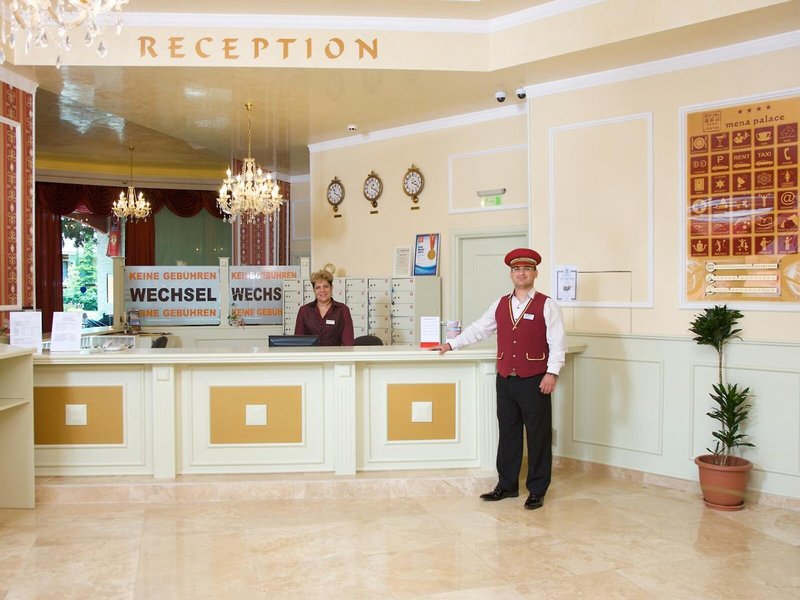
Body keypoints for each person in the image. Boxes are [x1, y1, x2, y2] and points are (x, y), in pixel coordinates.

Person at [431, 248, 566, 510]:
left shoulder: (547, 304)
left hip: (535, 379)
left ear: (535, 273)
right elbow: (478, 330)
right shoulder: (500, 304)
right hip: (505, 379)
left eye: (526, 269)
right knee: (508, 433)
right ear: (511, 274)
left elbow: (557, 342)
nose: (521, 273)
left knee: (538, 436)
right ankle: (507, 485)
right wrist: (450, 344)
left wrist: (552, 373)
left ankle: (537, 489)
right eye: (516, 269)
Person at [294, 269, 354, 346]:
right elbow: (298, 342)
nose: (322, 290)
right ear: (314, 290)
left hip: (334, 353)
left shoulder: (342, 310)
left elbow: (348, 342)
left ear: (331, 287)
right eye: (318, 287)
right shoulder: (304, 311)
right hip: (310, 354)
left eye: (325, 286)